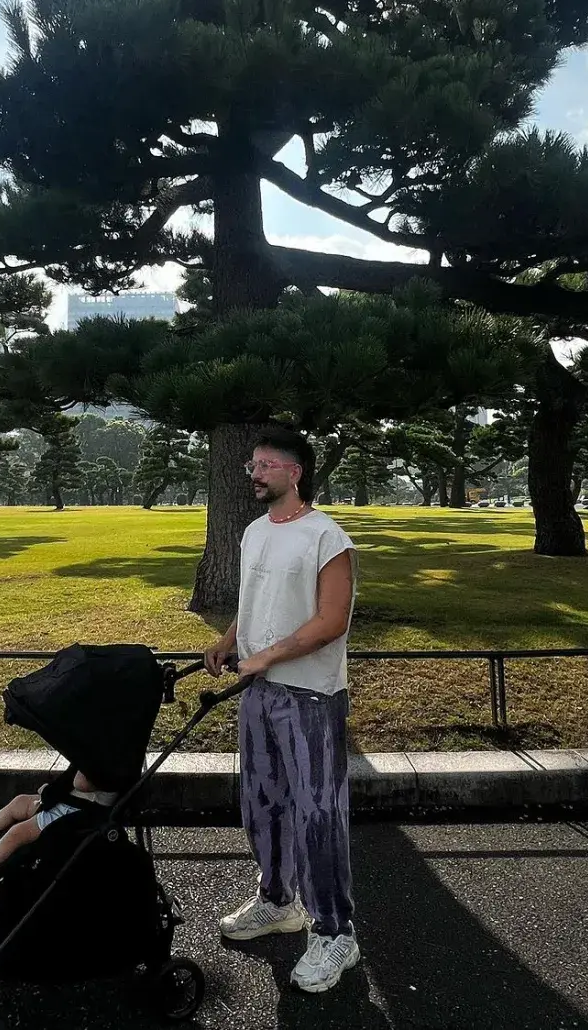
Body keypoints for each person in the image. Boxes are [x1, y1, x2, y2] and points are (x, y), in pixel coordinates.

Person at [204, 426, 359, 995]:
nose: (255, 472)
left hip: (311, 696)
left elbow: (331, 620)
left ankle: (336, 932)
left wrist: (265, 656)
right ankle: (277, 901)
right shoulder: (253, 532)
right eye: (252, 464)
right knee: (262, 802)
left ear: (295, 473)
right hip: (260, 693)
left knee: (318, 814)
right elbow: (253, 603)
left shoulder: (327, 537)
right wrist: (229, 641)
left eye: (266, 464)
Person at [0, 770, 117, 890]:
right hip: (70, 801)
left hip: (79, 814)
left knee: (18, 833)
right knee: (19, 802)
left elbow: (81, 783)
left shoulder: (110, 757)